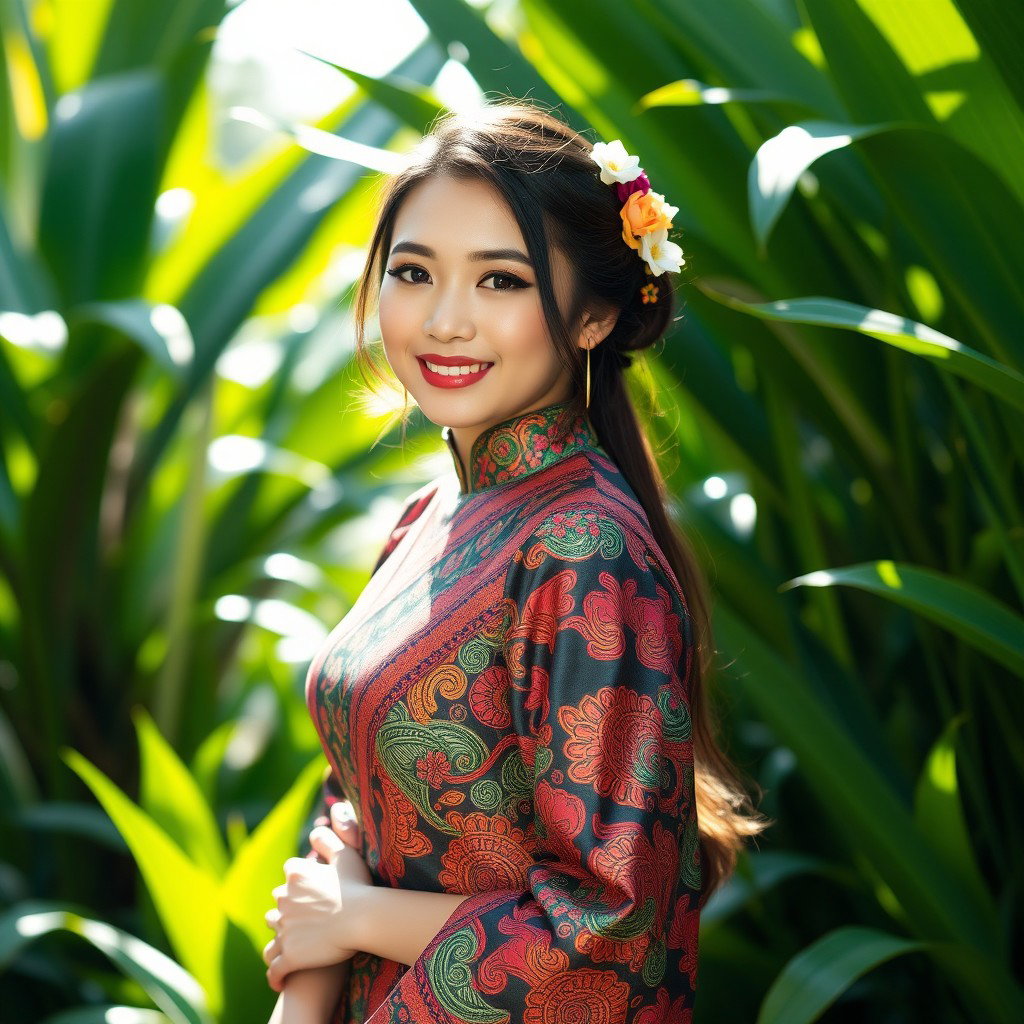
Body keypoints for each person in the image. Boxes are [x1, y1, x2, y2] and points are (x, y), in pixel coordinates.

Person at [261, 97, 769, 1024]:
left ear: (593, 316)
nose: (445, 320)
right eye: (413, 272)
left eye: (501, 281)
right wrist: (310, 987)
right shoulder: (430, 517)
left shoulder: (583, 553)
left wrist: (359, 919)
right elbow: (352, 826)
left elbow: (618, 929)